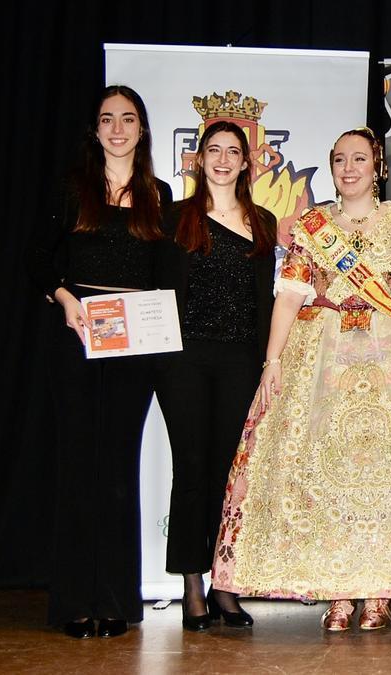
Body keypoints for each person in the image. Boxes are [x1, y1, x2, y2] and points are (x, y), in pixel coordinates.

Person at [209, 128, 391, 632]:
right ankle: (338, 591)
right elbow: (290, 296)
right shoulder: (313, 227)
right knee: (325, 471)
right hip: (321, 358)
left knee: (386, 474)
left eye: (360, 158)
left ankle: (379, 590)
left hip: (388, 357)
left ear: (378, 166)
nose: (349, 168)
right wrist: (272, 363)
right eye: (339, 159)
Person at [28, 85, 171, 639]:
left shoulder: (157, 194)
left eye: (127, 118)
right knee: (77, 467)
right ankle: (73, 604)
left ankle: (114, 601)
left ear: (141, 129)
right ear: (96, 130)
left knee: (117, 468)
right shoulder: (72, 188)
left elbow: (163, 275)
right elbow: (37, 257)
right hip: (79, 335)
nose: (117, 128)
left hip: (134, 343)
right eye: (107, 119)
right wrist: (64, 299)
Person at [154, 121, 277, 631]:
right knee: (191, 471)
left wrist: (272, 362)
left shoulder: (263, 221)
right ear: (198, 158)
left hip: (240, 362)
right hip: (182, 361)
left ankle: (226, 585)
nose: (223, 159)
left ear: (247, 163)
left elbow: (268, 302)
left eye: (233, 152)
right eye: (214, 150)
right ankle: (191, 587)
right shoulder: (173, 217)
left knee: (232, 478)